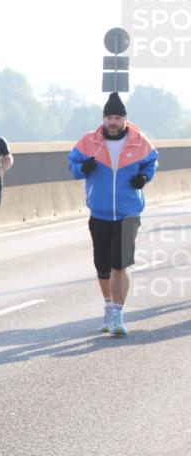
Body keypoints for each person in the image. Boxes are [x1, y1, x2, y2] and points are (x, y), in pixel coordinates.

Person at [68, 92, 158, 336]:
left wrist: (144, 177)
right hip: (100, 213)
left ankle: (118, 314)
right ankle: (108, 306)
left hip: (128, 212)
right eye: (109, 117)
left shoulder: (139, 141)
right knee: (102, 266)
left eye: (117, 117)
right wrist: (83, 168)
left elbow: (152, 162)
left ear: (125, 119)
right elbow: (73, 167)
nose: (113, 122)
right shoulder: (89, 141)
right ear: (104, 119)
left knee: (120, 265)